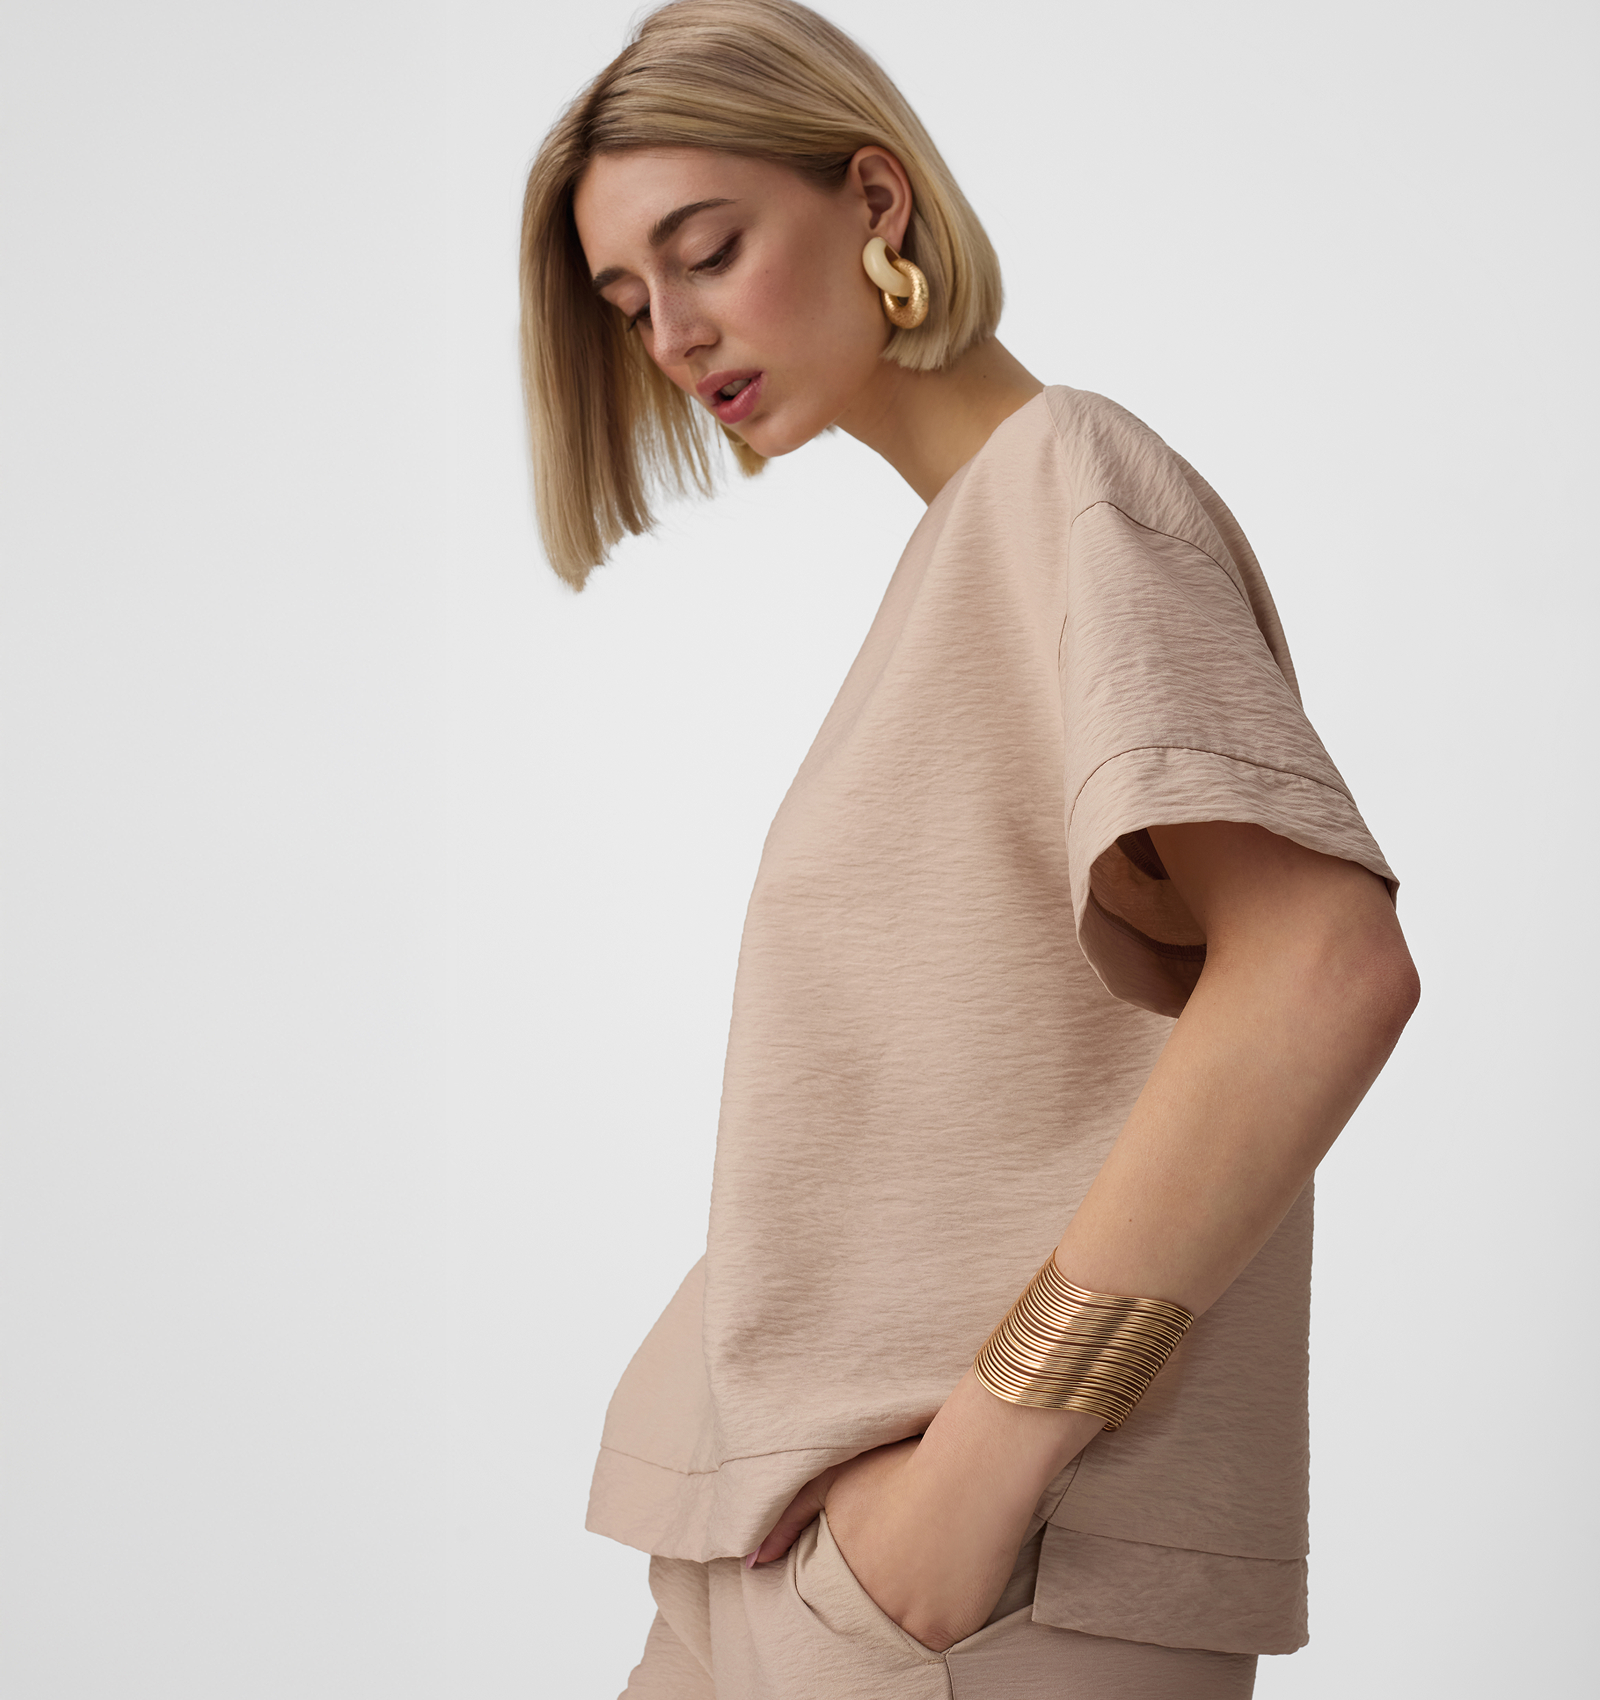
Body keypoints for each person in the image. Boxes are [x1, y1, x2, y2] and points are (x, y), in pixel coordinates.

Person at [521, 2, 1420, 1694]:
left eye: (706, 252)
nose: (675, 332)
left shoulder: (1070, 483)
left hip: (980, 1582)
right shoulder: (970, 549)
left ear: (876, 201)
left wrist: (979, 1476)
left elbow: (1321, 966)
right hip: (792, 1546)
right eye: (630, 301)